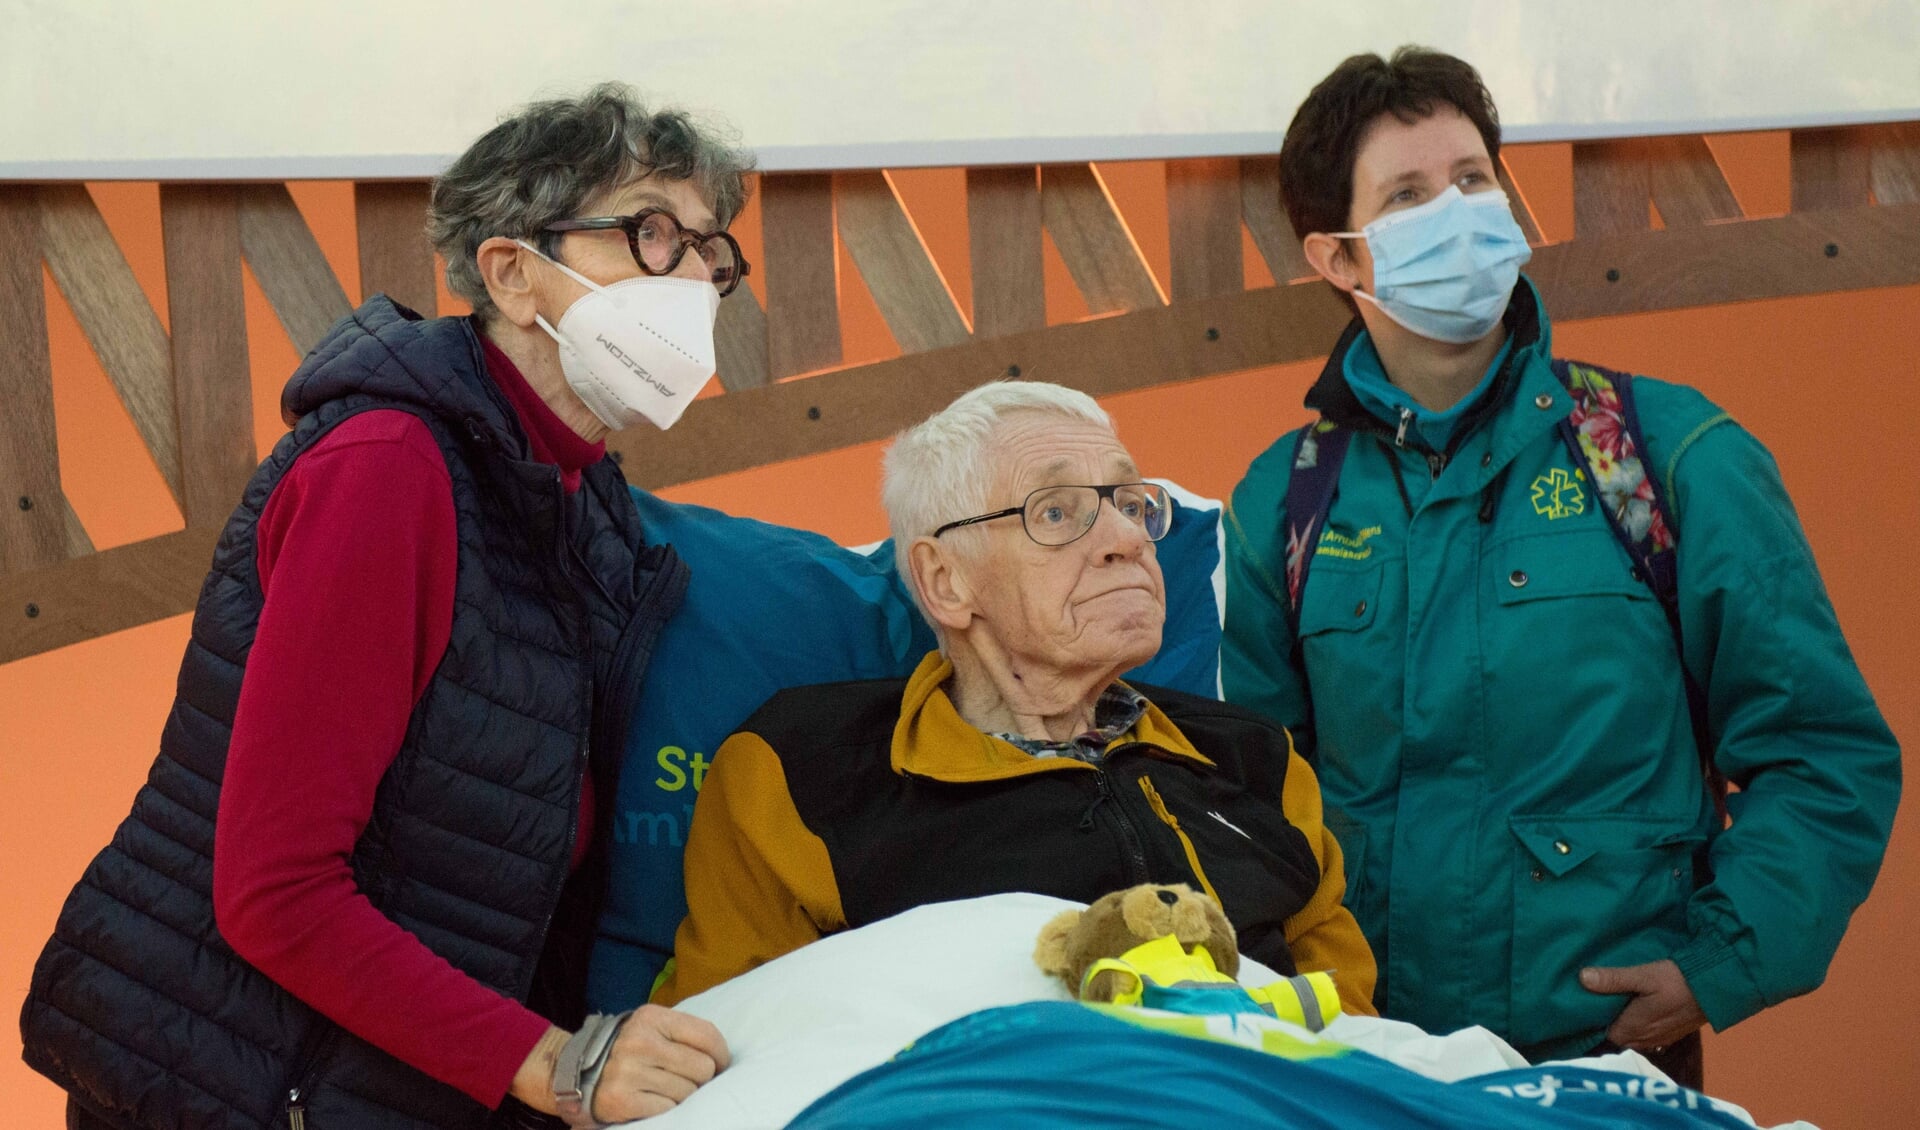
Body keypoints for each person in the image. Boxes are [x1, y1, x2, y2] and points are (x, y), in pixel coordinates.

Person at [22, 85, 754, 1129]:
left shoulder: (577, 492)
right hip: (245, 1085)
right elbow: (276, 892)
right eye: (650, 234)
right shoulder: (388, 469)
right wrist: (561, 1066)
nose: (693, 279)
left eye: (710, 252)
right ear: (511, 272)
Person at [1221, 48, 1901, 1086]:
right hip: (1364, 1070)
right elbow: (1245, 802)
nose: (1456, 211)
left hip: (1611, 1070)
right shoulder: (1285, 501)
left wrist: (1716, 959)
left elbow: (1823, 753)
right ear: (1339, 259)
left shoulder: (1662, 453)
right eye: (1408, 195)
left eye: (1472, 179)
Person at [654, 381, 1377, 1016]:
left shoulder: (1255, 759)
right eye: (1057, 513)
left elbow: (1352, 1025)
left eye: (1131, 502)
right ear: (944, 581)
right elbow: (727, 1040)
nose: (1127, 537)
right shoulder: (800, 774)